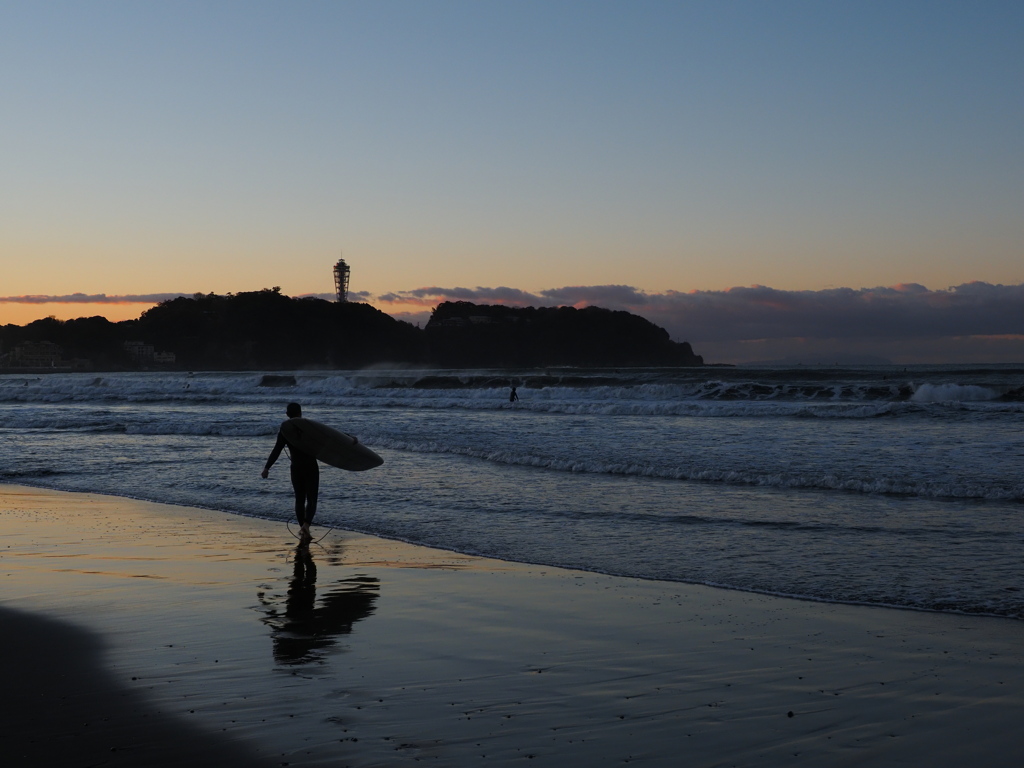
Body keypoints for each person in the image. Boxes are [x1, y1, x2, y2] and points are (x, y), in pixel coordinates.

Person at [262, 402, 318, 542]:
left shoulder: (285, 431)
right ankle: (306, 525)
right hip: (310, 466)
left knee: (299, 500)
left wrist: (267, 467)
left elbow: (277, 450)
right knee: (312, 499)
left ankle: (303, 529)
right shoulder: (310, 427)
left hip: (296, 467)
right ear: (301, 412)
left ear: (287, 414)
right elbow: (329, 438)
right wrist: (348, 440)